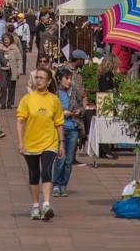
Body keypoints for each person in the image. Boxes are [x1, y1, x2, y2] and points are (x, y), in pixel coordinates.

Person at [17, 67, 64, 221]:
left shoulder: (54, 100)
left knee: (46, 171)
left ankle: (46, 204)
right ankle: (35, 206)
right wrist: (20, 142)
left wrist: (61, 143)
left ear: (49, 81)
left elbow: (58, 123)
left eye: (42, 78)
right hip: (30, 142)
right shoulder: (27, 99)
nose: (38, 81)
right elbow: (20, 121)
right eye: (37, 78)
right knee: (34, 174)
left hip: (49, 142)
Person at [51, 67, 83, 197]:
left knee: (69, 160)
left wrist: (79, 111)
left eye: (70, 78)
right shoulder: (55, 94)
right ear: (59, 79)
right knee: (60, 157)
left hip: (73, 127)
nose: (69, 81)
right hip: (60, 128)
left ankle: (64, 184)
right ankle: (56, 184)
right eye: (66, 78)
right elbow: (52, 111)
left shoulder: (74, 91)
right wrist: (62, 113)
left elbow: (81, 105)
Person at [0, 33, 23, 108]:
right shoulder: (0, 47)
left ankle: (9, 103)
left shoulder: (14, 47)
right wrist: (2, 48)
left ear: (10, 40)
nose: (6, 41)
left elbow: (19, 59)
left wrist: (19, 70)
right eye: (5, 40)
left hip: (12, 70)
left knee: (11, 88)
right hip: (3, 69)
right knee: (3, 87)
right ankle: (3, 103)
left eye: (7, 40)